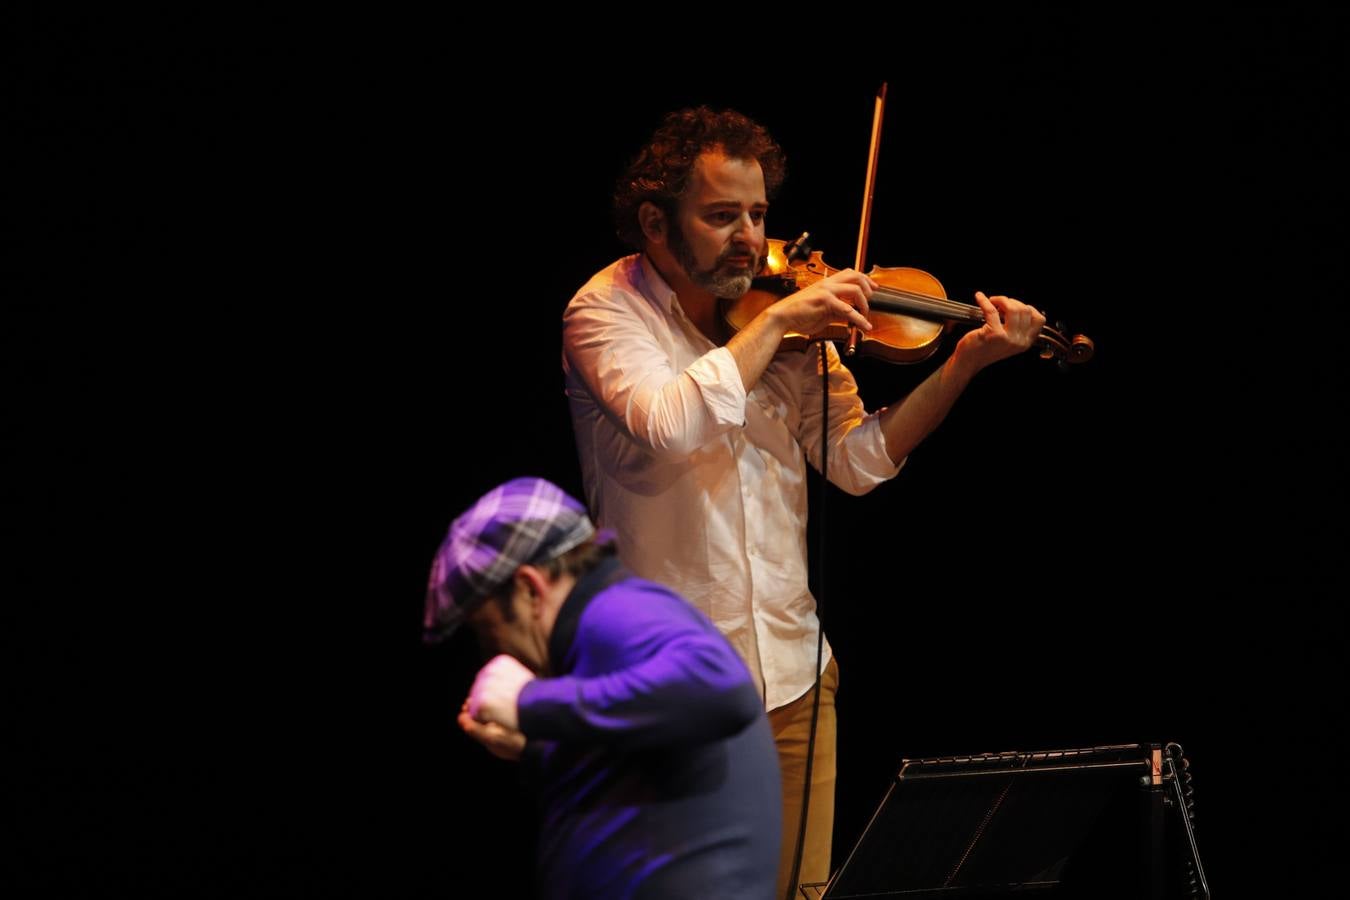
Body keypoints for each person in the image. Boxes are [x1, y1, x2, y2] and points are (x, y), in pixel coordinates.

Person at [562, 106, 1046, 896]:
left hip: (793, 675)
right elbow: (674, 424)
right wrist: (783, 320)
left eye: (758, 214)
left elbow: (860, 461)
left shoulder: (780, 327)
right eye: (722, 216)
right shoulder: (606, 312)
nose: (752, 240)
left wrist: (962, 365)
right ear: (655, 221)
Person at [423, 476, 781, 899]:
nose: (493, 652)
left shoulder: (615, 611)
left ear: (528, 589)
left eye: (489, 631)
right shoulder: (605, 625)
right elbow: (643, 760)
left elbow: (721, 687)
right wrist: (536, 747)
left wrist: (528, 700)